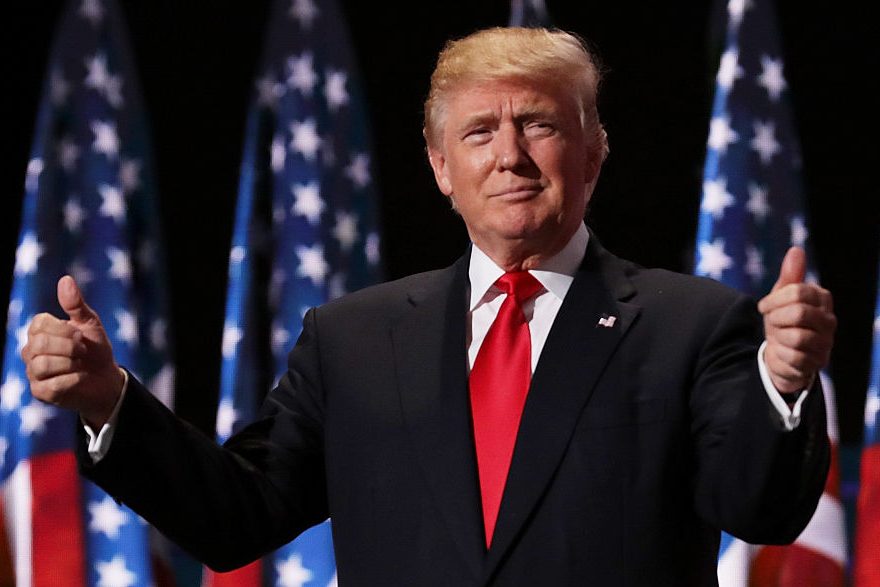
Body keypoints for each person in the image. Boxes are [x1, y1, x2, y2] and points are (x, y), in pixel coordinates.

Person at [22, 27, 835, 586]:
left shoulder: (689, 323)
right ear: (442, 167)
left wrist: (785, 384)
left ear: (594, 152)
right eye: (481, 131)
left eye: (540, 123)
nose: (510, 154)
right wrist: (109, 403)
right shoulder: (353, 339)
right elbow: (239, 514)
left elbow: (757, 507)